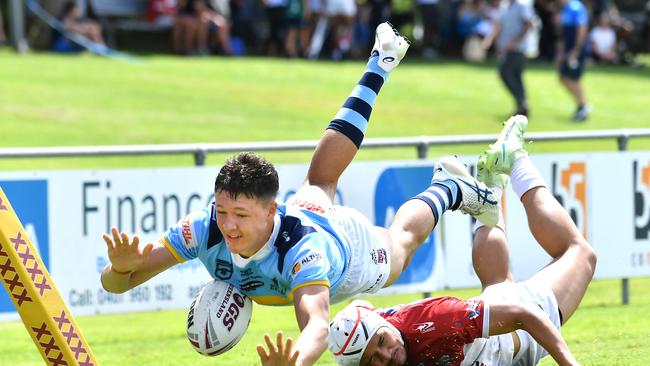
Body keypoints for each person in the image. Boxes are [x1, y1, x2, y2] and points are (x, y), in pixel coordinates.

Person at [100, 23, 499, 366]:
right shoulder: (204, 229)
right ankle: (382, 59)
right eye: (222, 211)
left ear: (271, 211)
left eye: (240, 214)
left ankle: (448, 186)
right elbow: (115, 286)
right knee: (321, 180)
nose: (228, 225)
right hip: (306, 210)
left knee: (401, 245)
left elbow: (317, 326)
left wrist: (298, 360)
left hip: (348, 252)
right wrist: (120, 269)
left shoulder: (302, 251)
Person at [327, 115, 597, 366]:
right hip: (491, 326)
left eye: (383, 341)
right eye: (374, 359)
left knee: (579, 252)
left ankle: (516, 160)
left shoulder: (438, 320)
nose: (388, 355)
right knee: (497, 283)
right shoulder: (368, 330)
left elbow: (525, 316)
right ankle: (490, 186)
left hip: (522, 330)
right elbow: (360, 308)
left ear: (383, 327)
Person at [482, 0, 534, 117]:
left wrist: (516, 41)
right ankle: (522, 106)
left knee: (505, 73)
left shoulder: (522, 5)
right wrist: (490, 39)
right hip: (506, 48)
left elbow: (528, 23)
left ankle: (522, 103)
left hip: (518, 48)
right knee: (516, 76)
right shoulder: (505, 6)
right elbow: (498, 24)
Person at [556, 0, 590, 122]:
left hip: (576, 50)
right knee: (563, 77)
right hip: (569, 49)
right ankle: (582, 105)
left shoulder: (576, 7)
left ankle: (583, 107)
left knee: (572, 78)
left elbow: (582, 29)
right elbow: (564, 34)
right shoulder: (566, 9)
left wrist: (576, 50)